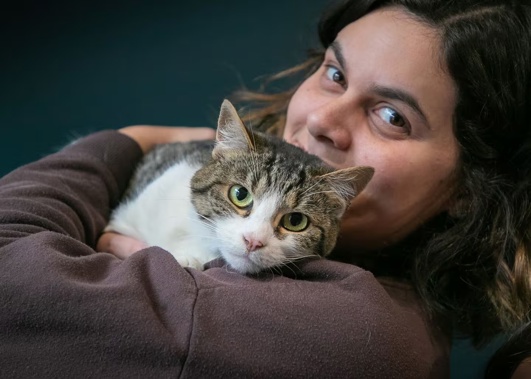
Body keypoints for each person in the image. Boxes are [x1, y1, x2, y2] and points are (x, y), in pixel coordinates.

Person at [1, 0, 530, 377]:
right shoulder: (397, 311)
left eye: (392, 116)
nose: (322, 119)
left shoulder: (356, 336)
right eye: (334, 73)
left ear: (472, 187)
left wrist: (133, 138)